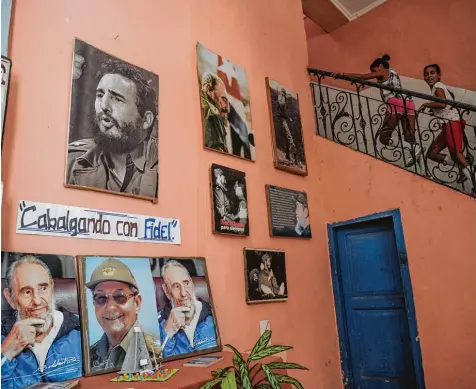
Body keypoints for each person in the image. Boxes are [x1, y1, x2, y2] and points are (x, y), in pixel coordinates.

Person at [66, 58, 158, 198]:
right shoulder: (72, 160)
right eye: (100, 95)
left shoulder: (166, 167)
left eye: (117, 99)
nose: (103, 105)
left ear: (146, 120)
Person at [1, 255, 82, 388]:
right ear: (10, 298)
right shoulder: (2, 337)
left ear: (52, 287)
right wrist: (6, 350)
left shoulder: (81, 331)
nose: (37, 301)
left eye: (43, 288)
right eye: (27, 292)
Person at [334, 54, 422, 168]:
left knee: (384, 137)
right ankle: (421, 165)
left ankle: (413, 148)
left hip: (396, 103)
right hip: (408, 103)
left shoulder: (384, 71)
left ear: (380, 66)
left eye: (374, 70)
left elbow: (365, 77)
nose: (375, 75)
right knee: (409, 137)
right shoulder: (394, 73)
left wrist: (343, 74)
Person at [86, 257, 160, 372]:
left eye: (120, 297)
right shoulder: (88, 356)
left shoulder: (157, 351)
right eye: (101, 298)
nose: (110, 307)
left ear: (137, 303)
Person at [418, 64, 474, 188]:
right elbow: (445, 103)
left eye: (432, 73)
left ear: (439, 75)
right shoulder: (437, 88)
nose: (429, 76)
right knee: (432, 153)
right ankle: (465, 168)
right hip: (448, 125)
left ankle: (471, 175)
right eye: (426, 74)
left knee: (457, 154)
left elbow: (443, 103)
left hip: (452, 123)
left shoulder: (437, 86)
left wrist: (427, 104)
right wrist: (434, 110)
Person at [158, 260, 217, 358]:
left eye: (186, 283)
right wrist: (167, 333)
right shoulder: (158, 323)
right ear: (167, 291)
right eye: (176, 286)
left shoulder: (212, 313)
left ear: (192, 283)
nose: (184, 293)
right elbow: (157, 362)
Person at [201, 72, 230, 153]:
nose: (228, 109)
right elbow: (219, 156)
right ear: (208, 88)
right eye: (224, 99)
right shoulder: (213, 116)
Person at [277, 87, 297, 164]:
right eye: (283, 93)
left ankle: (288, 155)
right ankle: (293, 149)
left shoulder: (283, 100)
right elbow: (283, 111)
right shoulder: (282, 101)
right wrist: (289, 118)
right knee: (289, 137)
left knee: (288, 137)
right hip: (282, 119)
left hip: (284, 119)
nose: (283, 95)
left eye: (284, 93)